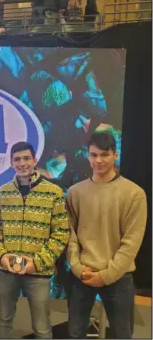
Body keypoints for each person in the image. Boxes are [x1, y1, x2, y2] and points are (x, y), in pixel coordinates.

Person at [66, 131, 147, 339]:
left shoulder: (134, 194)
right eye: (93, 155)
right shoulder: (75, 192)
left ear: (115, 155)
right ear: (87, 155)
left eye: (104, 154)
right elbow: (70, 236)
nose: (98, 160)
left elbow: (131, 243)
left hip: (118, 279)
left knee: (122, 334)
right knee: (75, 333)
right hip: (82, 275)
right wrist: (76, 267)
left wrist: (106, 276)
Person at [0, 142, 70, 339]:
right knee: (3, 320)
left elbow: (61, 233)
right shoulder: (3, 192)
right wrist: (1, 256)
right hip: (7, 271)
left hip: (38, 271)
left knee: (42, 327)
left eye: (26, 158)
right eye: (17, 159)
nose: (22, 163)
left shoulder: (53, 192)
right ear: (11, 163)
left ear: (35, 161)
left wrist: (37, 262)